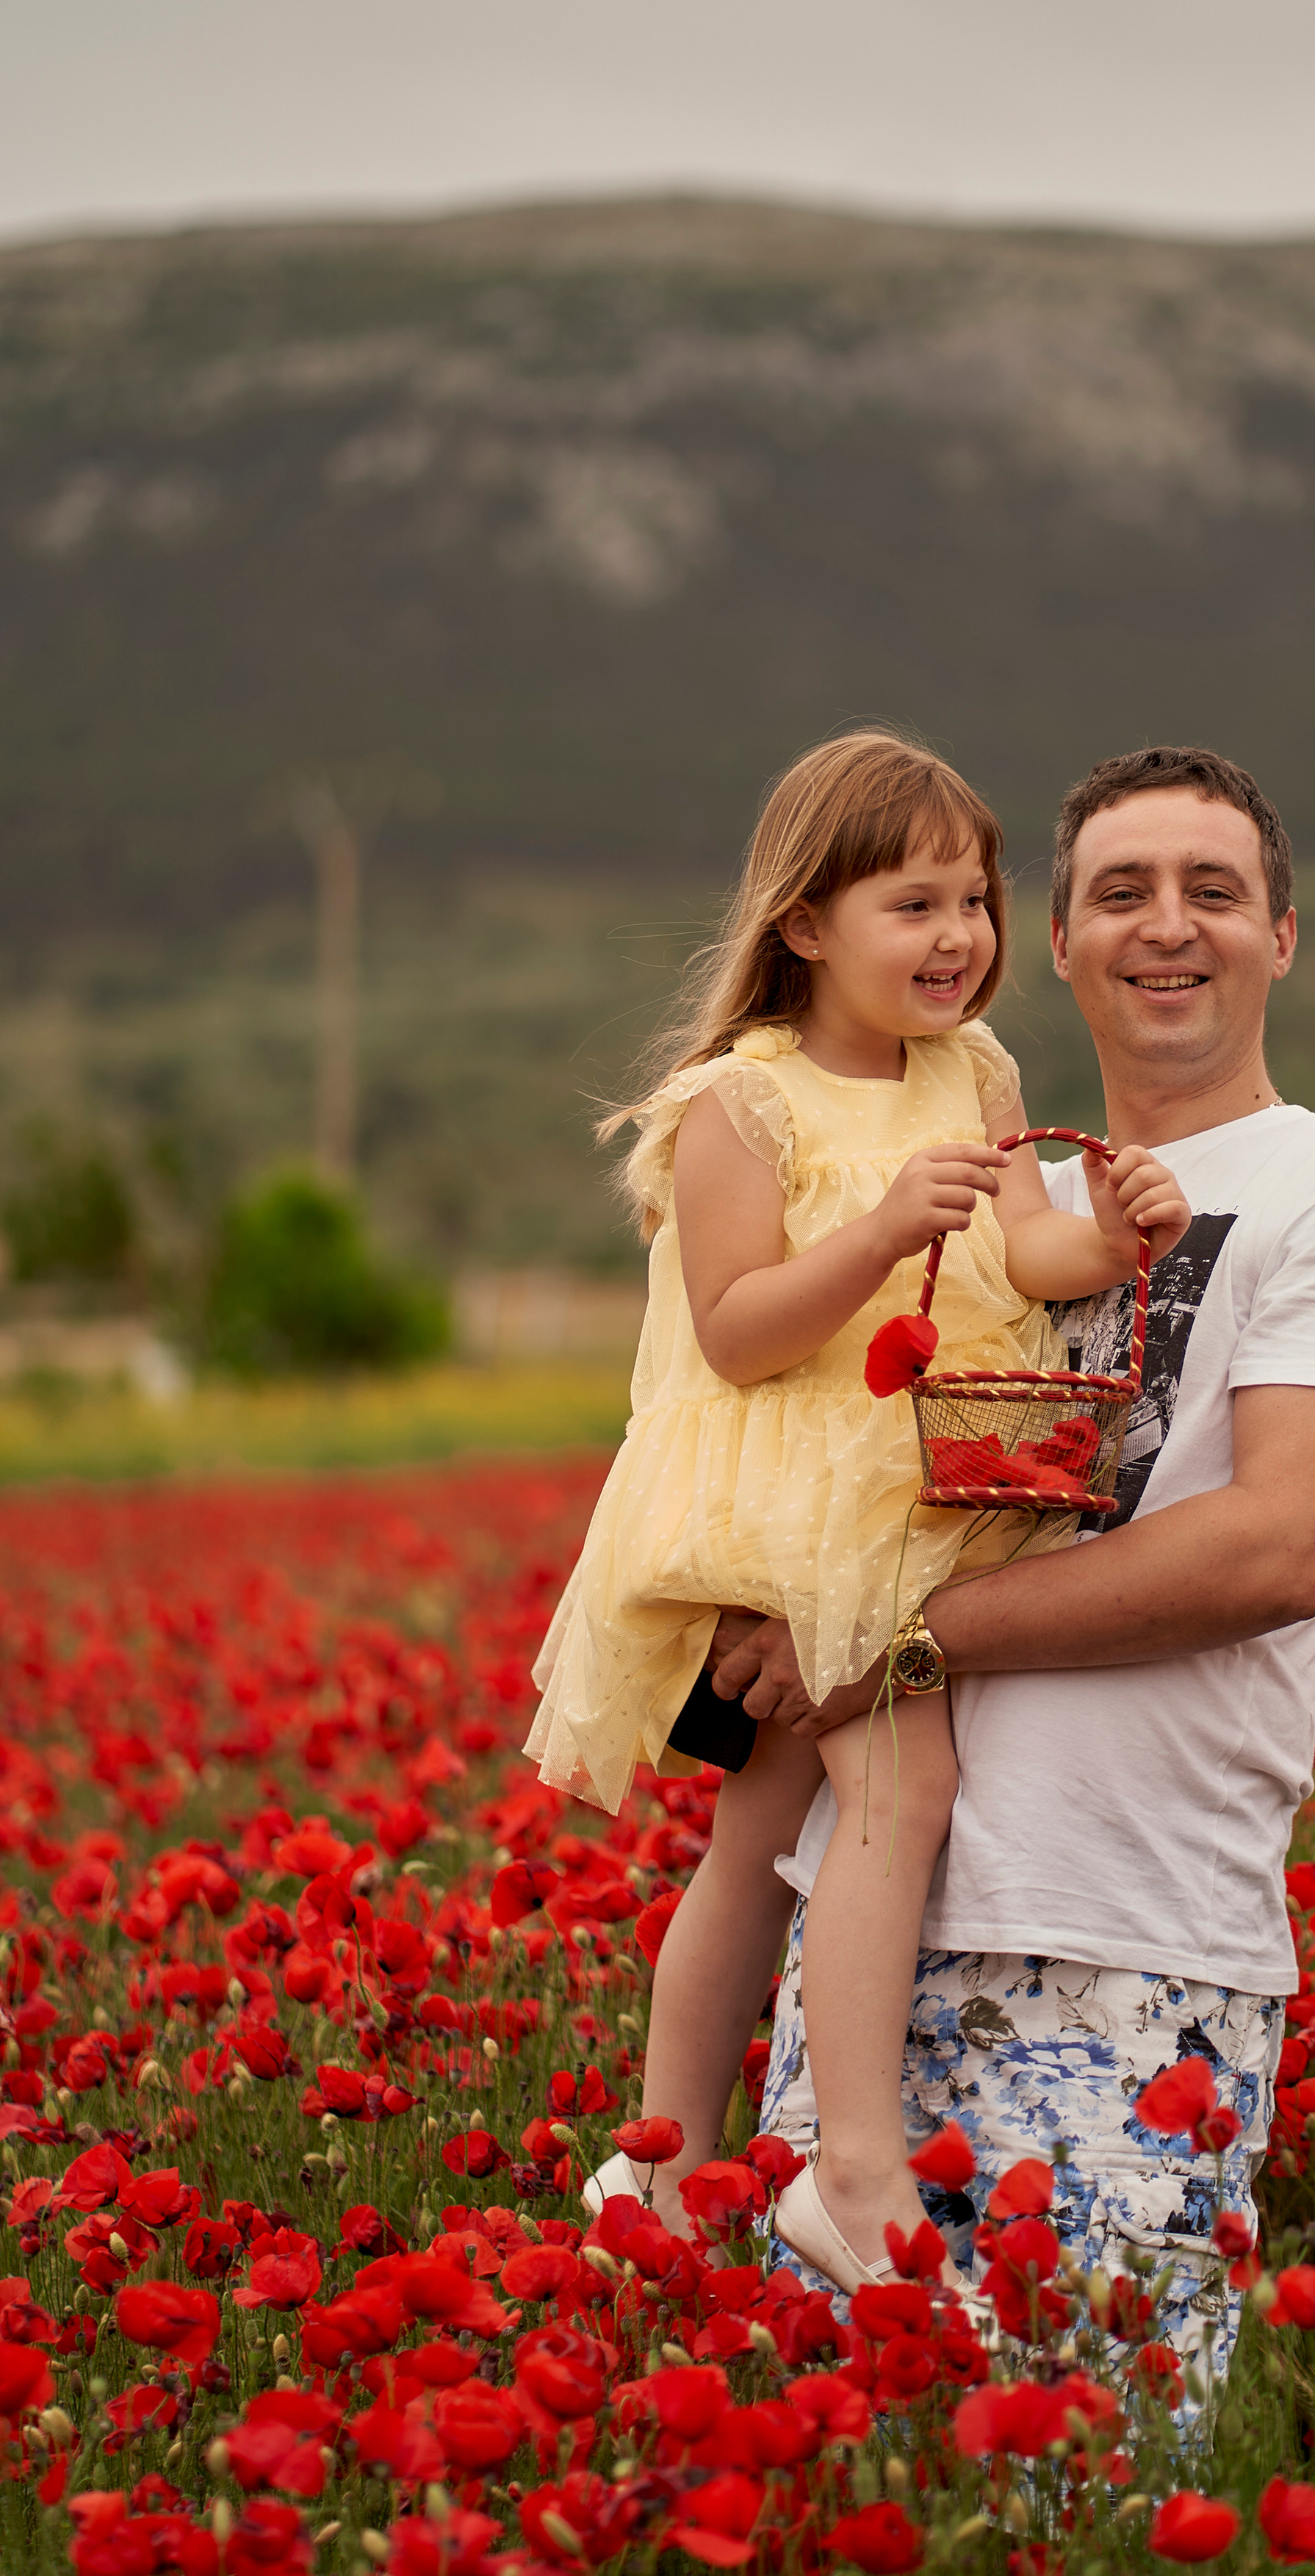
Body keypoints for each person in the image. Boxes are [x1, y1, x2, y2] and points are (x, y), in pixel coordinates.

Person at [710, 744, 1315, 2378]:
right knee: (828, 2495)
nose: (1165, 926)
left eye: (1213, 890)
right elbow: (784, 1440)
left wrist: (892, 1636)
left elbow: (1272, 1548)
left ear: (1285, 935)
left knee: (1092, 2492)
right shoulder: (986, 1202)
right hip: (861, 1951)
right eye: (1118, 893)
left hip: (1130, 1950)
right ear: (1050, 943)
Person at [527, 730, 1189, 2289]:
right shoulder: (735, 1110)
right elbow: (738, 1327)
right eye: (913, 903)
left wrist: (1113, 1236)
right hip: (794, 1500)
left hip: (934, 1475)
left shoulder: (978, 1072)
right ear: (805, 925)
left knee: (757, 1836)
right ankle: (854, 2168)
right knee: (896, 1799)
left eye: (973, 898)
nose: (958, 935)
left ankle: (659, 2166)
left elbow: (1021, 1252)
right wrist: (882, 1225)